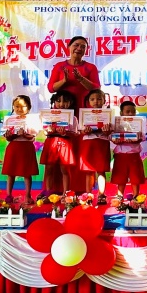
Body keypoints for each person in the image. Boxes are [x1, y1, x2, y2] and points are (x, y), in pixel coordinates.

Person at [47, 35, 98, 193]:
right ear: (69, 47)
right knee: (60, 151)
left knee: (80, 150)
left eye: (83, 46)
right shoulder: (60, 66)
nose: (79, 48)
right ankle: (56, 190)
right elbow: (51, 88)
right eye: (76, 45)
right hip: (63, 114)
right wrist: (65, 80)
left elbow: (96, 88)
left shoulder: (90, 68)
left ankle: (82, 190)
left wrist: (81, 79)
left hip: (82, 114)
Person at [39, 89, 79, 193]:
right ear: (54, 102)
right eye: (58, 101)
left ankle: (66, 193)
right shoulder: (48, 116)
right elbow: (44, 131)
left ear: (70, 102)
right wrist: (48, 131)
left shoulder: (73, 118)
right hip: (50, 143)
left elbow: (75, 134)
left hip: (65, 144)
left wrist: (65, 133)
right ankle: (48, 192)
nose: (61, 104)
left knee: (65, 170)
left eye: (65, 101)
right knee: (49, 169)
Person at [1, 95, 38, 204]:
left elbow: (33, 137)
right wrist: (9, 136)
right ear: (13, 107)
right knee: (10, 173)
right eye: (17, 106)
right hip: (13, 148)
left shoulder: (32, 120)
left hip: (26, 148)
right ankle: (9, 195)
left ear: (29, 107)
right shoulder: (9, 120)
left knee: (27, 173)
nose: (19, 109)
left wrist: (25, 134)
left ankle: (28, 196)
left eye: (23, 106)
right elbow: (8, 138)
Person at [80, 88, 112, 204]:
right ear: (88, 101)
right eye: (92, 99)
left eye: (99, 99)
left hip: (102, 143)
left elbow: (111, 131)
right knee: (89, 171)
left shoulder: (108, 114)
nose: (96, 101)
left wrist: (107, 130)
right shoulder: (84, 114)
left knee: (101, 171)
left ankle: (101, 194)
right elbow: (81, 130)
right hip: (88, 143)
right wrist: (85, 130)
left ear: (104, 101)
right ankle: (88, 196)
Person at [110, 100, 146, 203]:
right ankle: (119, 195)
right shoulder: (116, 123)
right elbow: (111, 136)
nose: (131, 114)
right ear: (121, 113)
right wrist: (115, 140)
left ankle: (136, 196)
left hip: (134, 154)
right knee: (120, 177)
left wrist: (137, 139)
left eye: (133, 111)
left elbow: (143, 137)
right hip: (120, 155)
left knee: (135, 177)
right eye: (128, 111)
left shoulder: (139, 123)